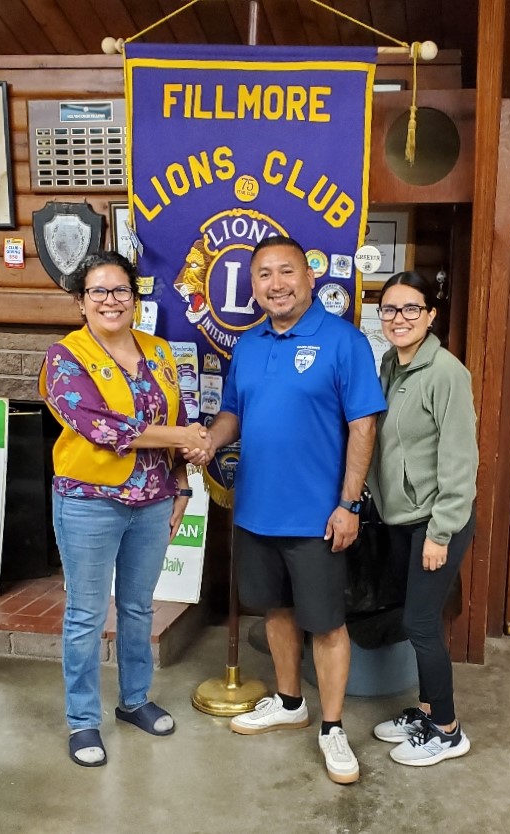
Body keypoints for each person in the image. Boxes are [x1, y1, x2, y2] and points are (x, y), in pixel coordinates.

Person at [188, 236, 386, 784]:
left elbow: (363, 425)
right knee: (275, 610)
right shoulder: (248, 346)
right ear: (253, 288)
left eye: (286, 272)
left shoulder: (344, 342)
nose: (276, 284)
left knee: (326, 623)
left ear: (310, 278)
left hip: (318, 517)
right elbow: (233, 413)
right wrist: (210, 439)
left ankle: (332, 727)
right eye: (264, 276)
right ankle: (291, 703)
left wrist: (348, 504)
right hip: (256, 511)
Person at [39, 250, 208, 767]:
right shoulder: (64, 357)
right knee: (87, 615)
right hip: (89, 502)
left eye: (121, 291)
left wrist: (181, 484)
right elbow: (102, 427)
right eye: (99, 292)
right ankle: (82, 721)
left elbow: (179, 418)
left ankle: (134, 699)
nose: (111, 300)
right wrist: (181, 435)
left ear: (135, 300)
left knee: (138, 608)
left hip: (153, 503)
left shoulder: (158, 351)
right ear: (80, 303)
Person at [368, 270, 478, 767]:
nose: (399, 318)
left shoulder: (446, 373)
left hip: (437, 521)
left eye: (411, 309)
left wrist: (440, 532)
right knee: (414, 617)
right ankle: (426, 710)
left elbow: (460, 461)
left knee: (420, 623)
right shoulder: (391, 364)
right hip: (401, 517)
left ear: (431, 315)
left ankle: (449, 729)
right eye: (389, 309)